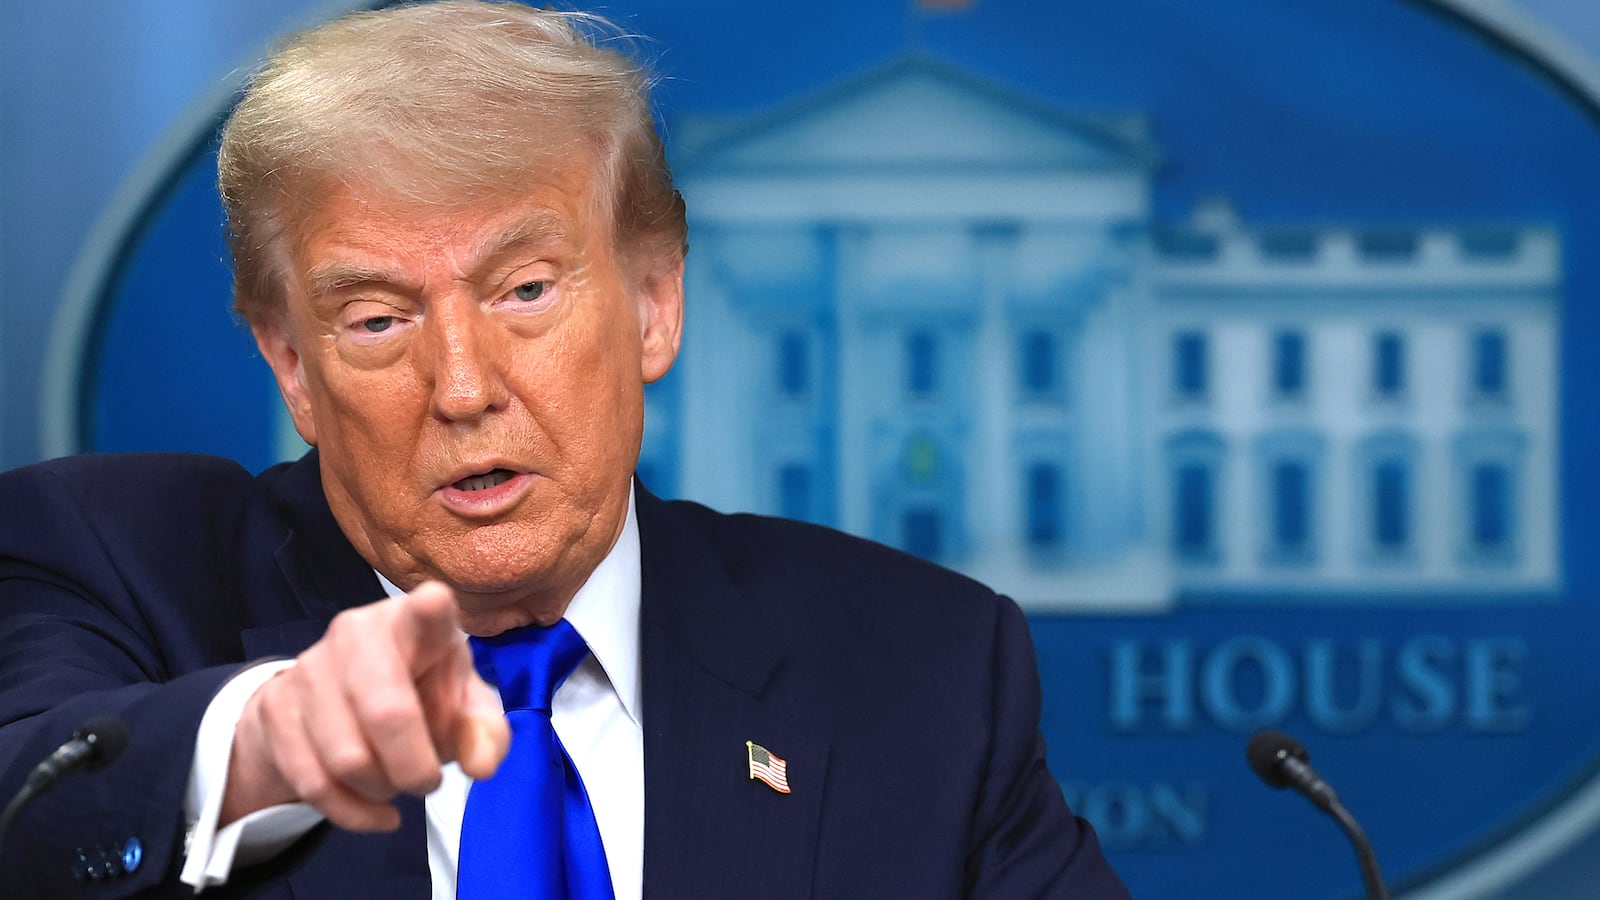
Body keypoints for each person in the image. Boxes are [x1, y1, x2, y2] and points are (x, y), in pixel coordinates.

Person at [0, 2, 1130, 897]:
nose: (462, 386)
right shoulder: (111, 563)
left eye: (525, 290)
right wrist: (267, 747)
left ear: (653, 304)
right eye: (378, 319)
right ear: (291, 363)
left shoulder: (922, 668)